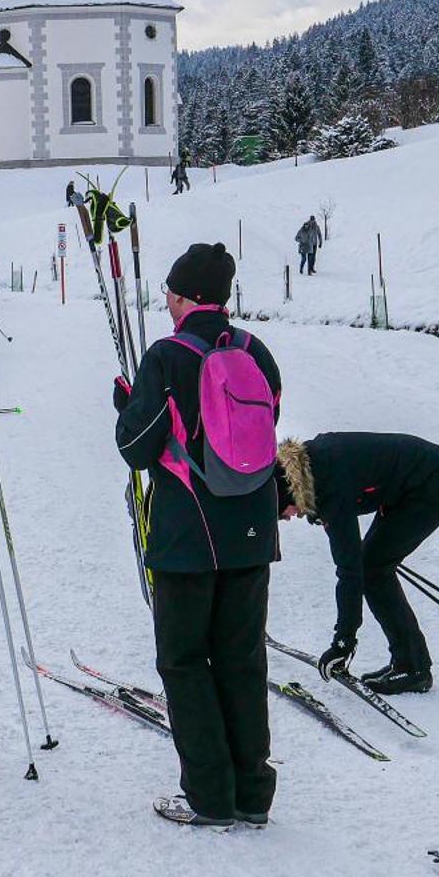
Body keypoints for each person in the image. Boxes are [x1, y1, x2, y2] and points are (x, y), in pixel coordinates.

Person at [113, 240, 281, 830]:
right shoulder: (257, 350)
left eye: (170, 291)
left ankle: (209, 794)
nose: (165, 300)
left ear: (185, 296)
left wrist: (126, 406)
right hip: (254, 527)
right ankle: (253, 794)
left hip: (189, 531)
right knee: (242, 657)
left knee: (185, 661)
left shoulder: (167, 354)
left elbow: (136, 448)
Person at [273, 433, 439, 694]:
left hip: (435, 482)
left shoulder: (330, 486)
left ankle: (413, 668)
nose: (291, 517)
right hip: (410, 482)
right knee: (373, 566)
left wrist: (343, 641)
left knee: (372, 570)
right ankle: (408, 661)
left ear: (287, 493)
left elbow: (349, 569)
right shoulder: (310, 467)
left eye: (285, 514)